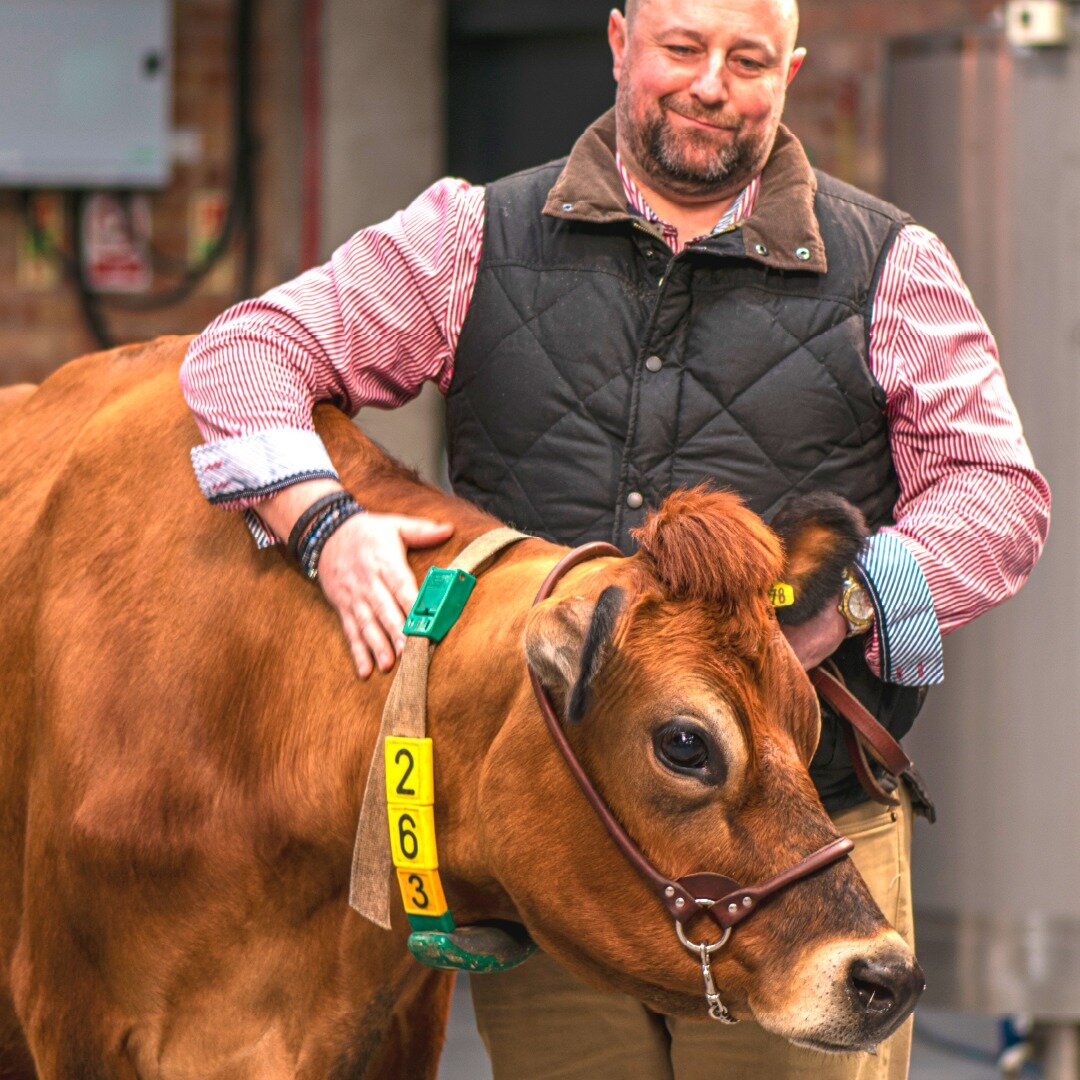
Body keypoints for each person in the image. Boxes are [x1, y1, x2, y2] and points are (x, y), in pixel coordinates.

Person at [180, 0, 1050, 1075]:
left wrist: (854, 600)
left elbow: (997, 493)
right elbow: (243, 355)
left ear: (792, 69)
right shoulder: (473, 236)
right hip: (565, 852)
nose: (711, 85)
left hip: (793, 849)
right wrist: (324, 523)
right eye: (682, 49)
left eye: (748, 60)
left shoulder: (891, 266)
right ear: (618, 43)